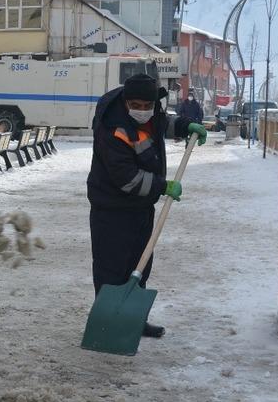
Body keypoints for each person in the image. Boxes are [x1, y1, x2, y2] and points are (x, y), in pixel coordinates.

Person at [86, 73, 206, 338]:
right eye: (136, 106)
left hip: (140, 208)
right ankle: (107, 324)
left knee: (140, 265)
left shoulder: (153, 114)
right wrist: (162, 187)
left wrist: (186, 126)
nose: (142, 112)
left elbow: (162, 124)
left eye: (147, 106)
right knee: (112, 269)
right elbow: (125, 177)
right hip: (112, 208)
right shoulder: (113, 126)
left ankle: (132, 319)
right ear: (127, 103)